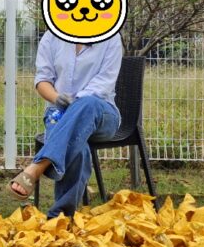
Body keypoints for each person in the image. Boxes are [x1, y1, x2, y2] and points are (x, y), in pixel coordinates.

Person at [8, 30, 122, 217]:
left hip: (102, 113)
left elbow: (104, 84)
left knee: (88, 103)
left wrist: (75, 106)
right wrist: (57, 98)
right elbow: (43, 80)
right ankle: (60, 217)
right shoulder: (51, 37)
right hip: (59, 111)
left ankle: (38, 166)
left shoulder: (110, 38)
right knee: (79, 148)